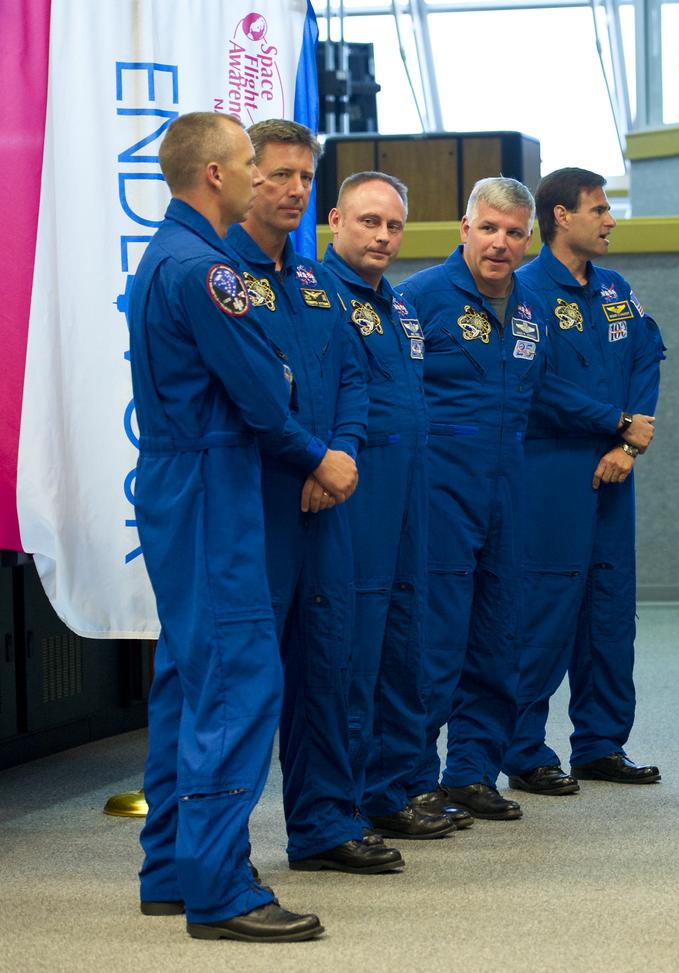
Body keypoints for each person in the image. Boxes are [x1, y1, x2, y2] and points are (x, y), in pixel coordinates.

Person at [129, 111, 324, 942]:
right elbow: (262, 387)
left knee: (188, 672)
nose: (259, 177)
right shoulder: (207, 271)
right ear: (214, 173)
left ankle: (172, 863)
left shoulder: (163, 256)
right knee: (237, 681)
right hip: (213, 480)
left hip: (182, 478)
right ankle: (221, 887)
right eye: (250, 163)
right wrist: (304, 437)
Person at [226, 122, 406, 875]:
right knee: (246, 685)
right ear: (242, 178)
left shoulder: (311, 284)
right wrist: (311, 455)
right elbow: (249, 397)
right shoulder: (222, 278)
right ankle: (217, 850)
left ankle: (325, 823)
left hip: (324, 501)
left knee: (326, 668)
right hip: (256, 504)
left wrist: (342, 453)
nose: (295, 189)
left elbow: (354, 379)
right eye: (281, 175)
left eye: (305, 175)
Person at [398, 177, 585, 821]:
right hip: (439, 486)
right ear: (464, 229)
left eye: (512, 233)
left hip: (510, 484)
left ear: (528, 238)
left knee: (499, 632)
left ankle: (471, 771)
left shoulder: (531, 308)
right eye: (487, 229)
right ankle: (413, 778)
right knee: (435, 638)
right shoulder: (417, 299)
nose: (499, 244)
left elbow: (538, 396)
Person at [500, 167, 665, 796]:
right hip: (551, 470)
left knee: (609, 607)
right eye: (598, 209)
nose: (610, 220)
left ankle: (600, 743)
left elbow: (648, 355)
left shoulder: (616, 288)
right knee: (545, 607)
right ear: (561, 216)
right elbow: (534, 384)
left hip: (615, 468)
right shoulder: (525, 292)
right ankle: (523, 748)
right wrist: (614, 422)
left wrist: (627, 441)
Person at [323, 172, 469, 838]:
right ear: (335, 220)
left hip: (411, 493)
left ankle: (395, 785)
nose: (383, 236)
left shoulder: (401, 305)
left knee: (407, 644)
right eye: (369, 221)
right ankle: (343, 800)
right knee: (352, 654)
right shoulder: (319, 296)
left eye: (393, 225)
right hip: (355, 496)